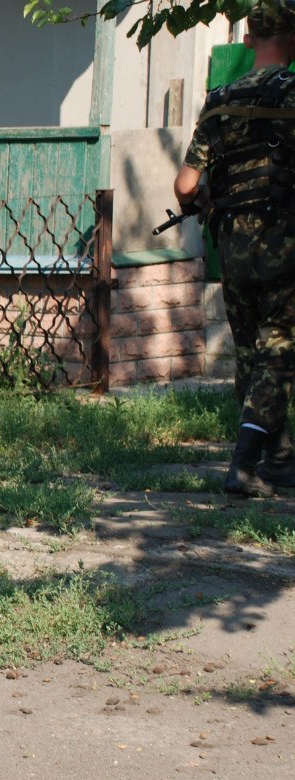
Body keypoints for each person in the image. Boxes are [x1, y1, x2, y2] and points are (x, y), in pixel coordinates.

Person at [175, 0, 295, 497]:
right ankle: (244, 466)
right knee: (280, 352)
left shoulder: (219, 99)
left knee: (251, 354)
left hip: (232, 246)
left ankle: (281, 458)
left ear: (248, 40)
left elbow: (184, 187)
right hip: (285, 245)